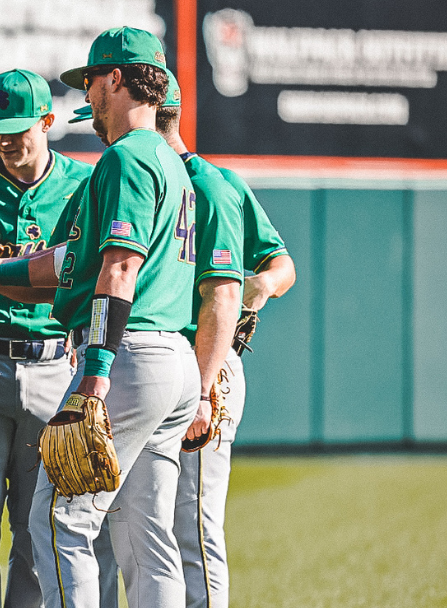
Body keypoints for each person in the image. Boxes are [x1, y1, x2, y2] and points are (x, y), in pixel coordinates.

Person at [0, 27, 200, 608]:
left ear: (115, 79)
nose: (90, 98)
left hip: (128, 355)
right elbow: (72, 264)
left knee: (59, 520)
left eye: (92, 83)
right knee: (147, 533)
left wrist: (97, 371)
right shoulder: (170, 160)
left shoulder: (126, 157)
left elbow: (119, 269)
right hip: (173, 362)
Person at [0, 68, 92, 608]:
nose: (8, 141)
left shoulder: (82, 185)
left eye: (20, 128)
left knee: (41, 532)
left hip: (56, 366)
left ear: (48, 121)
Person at [155, 88, 296, 608]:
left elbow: (281, 266)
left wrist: (256, 289)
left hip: (205, 364)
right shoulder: (137, 180)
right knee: (145, 529)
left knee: (192, 525)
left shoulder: (212, 184)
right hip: (154, 365)